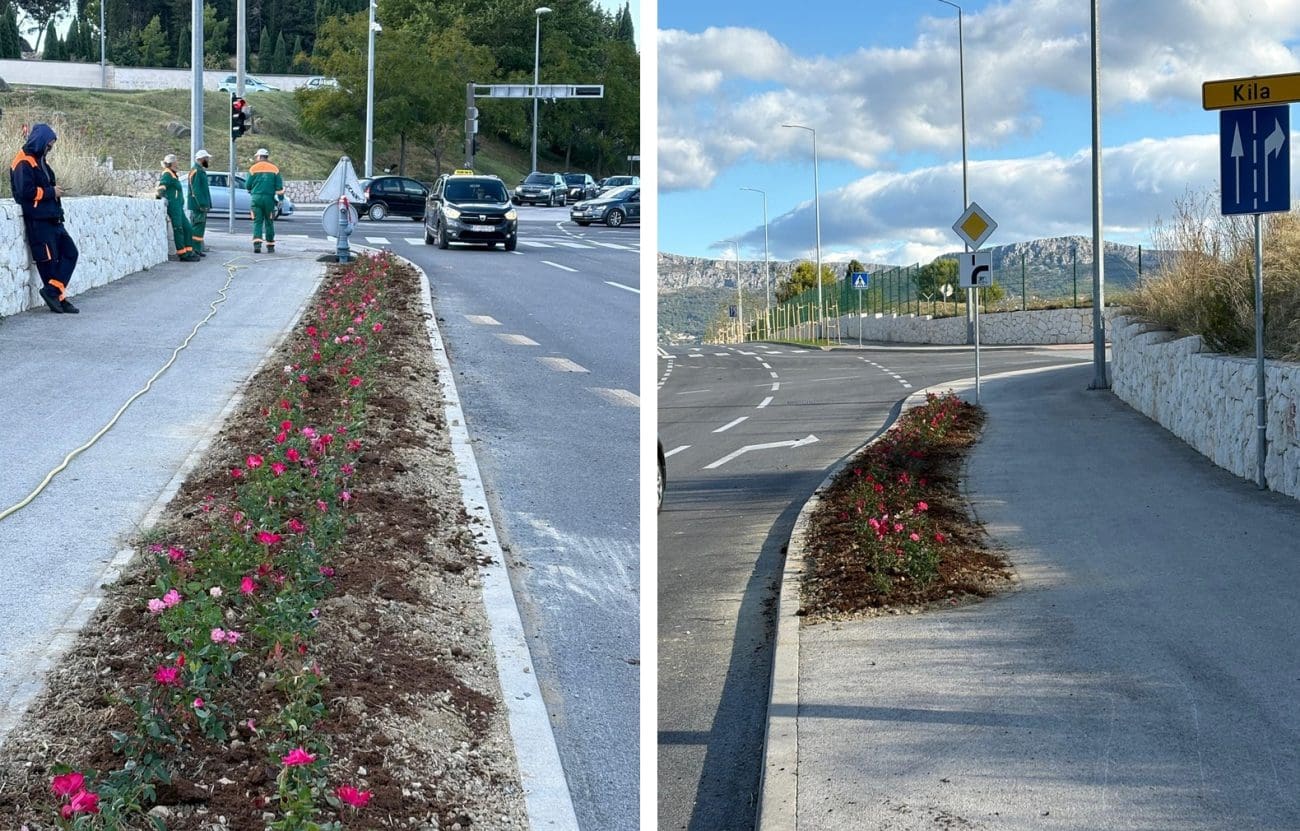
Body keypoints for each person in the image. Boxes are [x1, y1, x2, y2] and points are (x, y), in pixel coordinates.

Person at [9, 123, 80, 313]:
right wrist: (51, 192)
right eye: (49, 145)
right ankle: (59, 298)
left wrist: (54, 194)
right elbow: (25, 192)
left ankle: (52, 292)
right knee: (49, 262)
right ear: (41, 141)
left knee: (71, 253)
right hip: (38, 221)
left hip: (53, 218)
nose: (50, 149)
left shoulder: (40, 160)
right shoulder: (23, 161)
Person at [156, 154, 200, 262]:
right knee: (178, 228)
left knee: (187, 228)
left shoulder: (173, 174)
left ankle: (189, 251)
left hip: (179, 206)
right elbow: (162, 186)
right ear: (171, 163)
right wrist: (160, 196)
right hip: (174, 206)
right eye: (176, 161)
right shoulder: (167, 174)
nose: (177, 163)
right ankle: (183, 254)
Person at [246, 148, 284, 253]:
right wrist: (280, 200)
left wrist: (252, 189)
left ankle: (257, 245)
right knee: (269, 222)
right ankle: (270, 246)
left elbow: (247, 185)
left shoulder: (253, 169)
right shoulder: (274, 169)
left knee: (257, 222)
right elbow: (279, 187)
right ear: (267, 157)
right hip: (269, 200)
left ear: (259, 157)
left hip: (256, 199)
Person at [187, 149, 212, 257]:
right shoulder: (196, 171)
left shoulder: (199, 170)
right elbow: (196, 190)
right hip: (198, 206)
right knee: (197, 227)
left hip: (200, 205)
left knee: (200, 227)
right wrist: (201, 204)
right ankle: (194, 249)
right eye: (206, 158)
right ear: (201, 159)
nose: (208, 160)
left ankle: (197, 249)